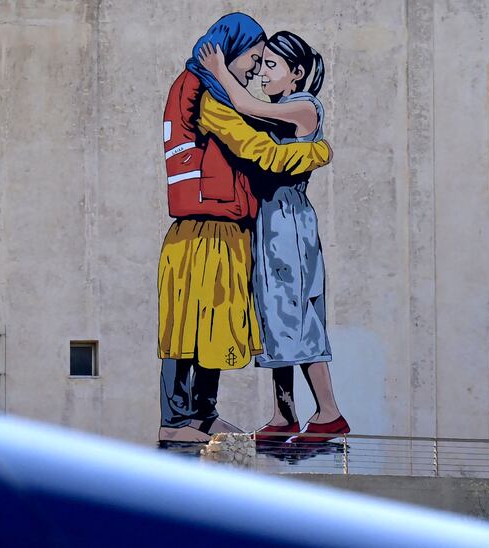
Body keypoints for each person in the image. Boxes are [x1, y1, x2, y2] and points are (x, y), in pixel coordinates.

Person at [159, 15, 332, 443]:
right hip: (204, 228)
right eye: (254, 60)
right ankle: (177, 419)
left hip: (224, 228)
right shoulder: (205, 96)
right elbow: (256, 150)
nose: (256, 70)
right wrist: (316, 152)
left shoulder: (211, 92)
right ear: (228, 51)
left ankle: (201, 414)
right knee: (189, 328)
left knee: (213, 326)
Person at [198, 31, 349, 443]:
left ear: (296, 73)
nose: (262, 73)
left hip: (290, 223)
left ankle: (329, 411)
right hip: (268, 223)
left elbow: (244, 105)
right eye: (260, 63)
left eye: (271, 65)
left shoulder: (304, 108)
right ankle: (285, 414)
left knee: (299, 318)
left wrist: (217, 72)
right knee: (276, 321)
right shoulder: (278, 110)